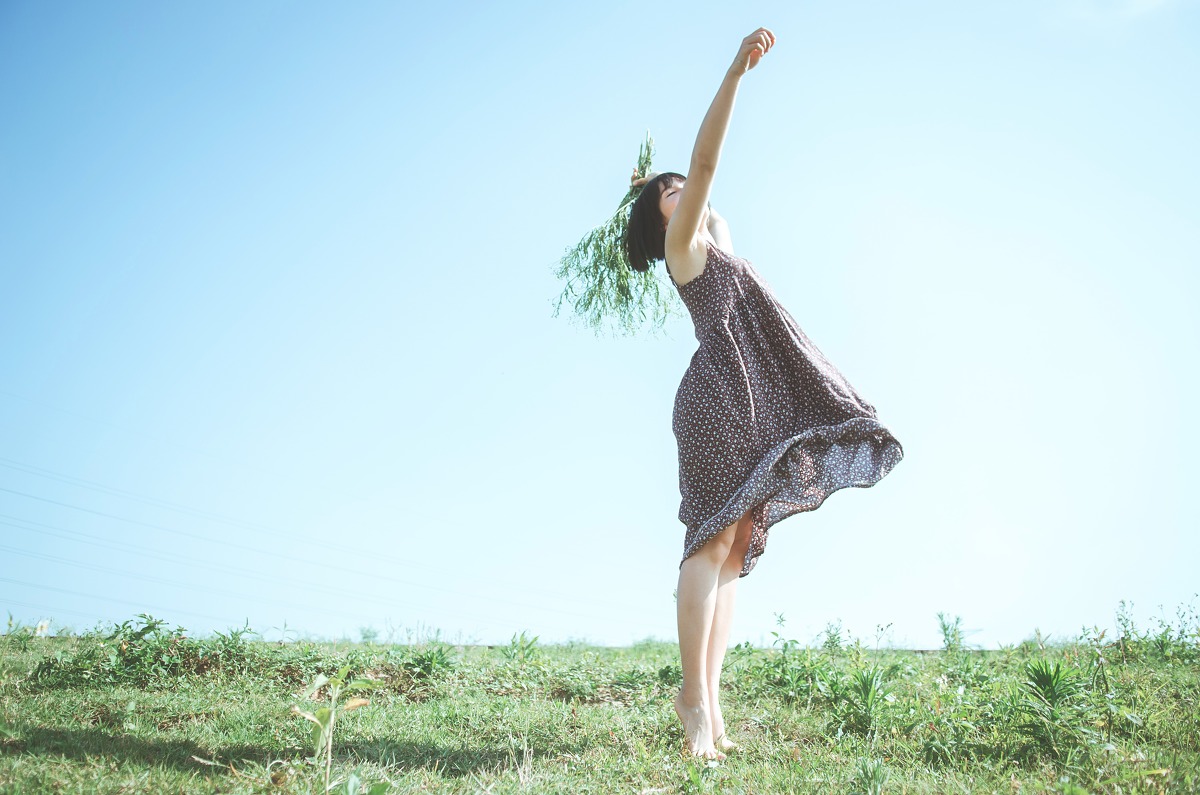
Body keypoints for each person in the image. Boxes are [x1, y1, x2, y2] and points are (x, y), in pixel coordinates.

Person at [623, 28, 904, 760]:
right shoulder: (683, 251)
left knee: (739, 544)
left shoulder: (711, 241)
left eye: (679, 183)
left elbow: (714, 208)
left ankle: (712, 707)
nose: (682, 185)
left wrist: (646, 187)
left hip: (750, 397)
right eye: (668, 191)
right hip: (716, 397)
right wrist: (733, 74)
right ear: (662, 222)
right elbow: (709, 164)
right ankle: (692, 704)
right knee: (710, 540)